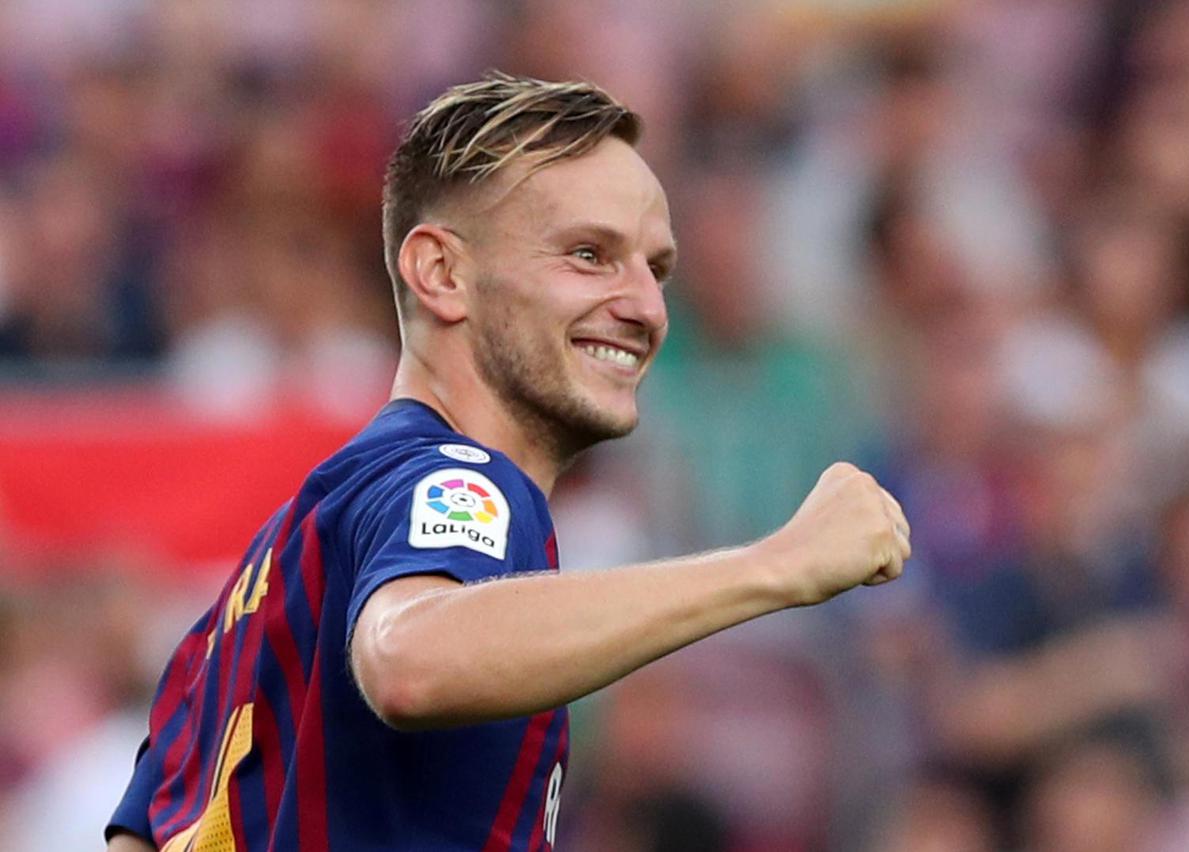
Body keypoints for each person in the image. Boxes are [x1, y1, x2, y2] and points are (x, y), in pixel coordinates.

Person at [105, 72, 911, 852]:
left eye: (657, 268)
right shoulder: (461, 481)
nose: (647, 307)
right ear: (441, 272)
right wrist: (778, 564)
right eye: (589, 254)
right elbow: (410, 660)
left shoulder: (262, 580)